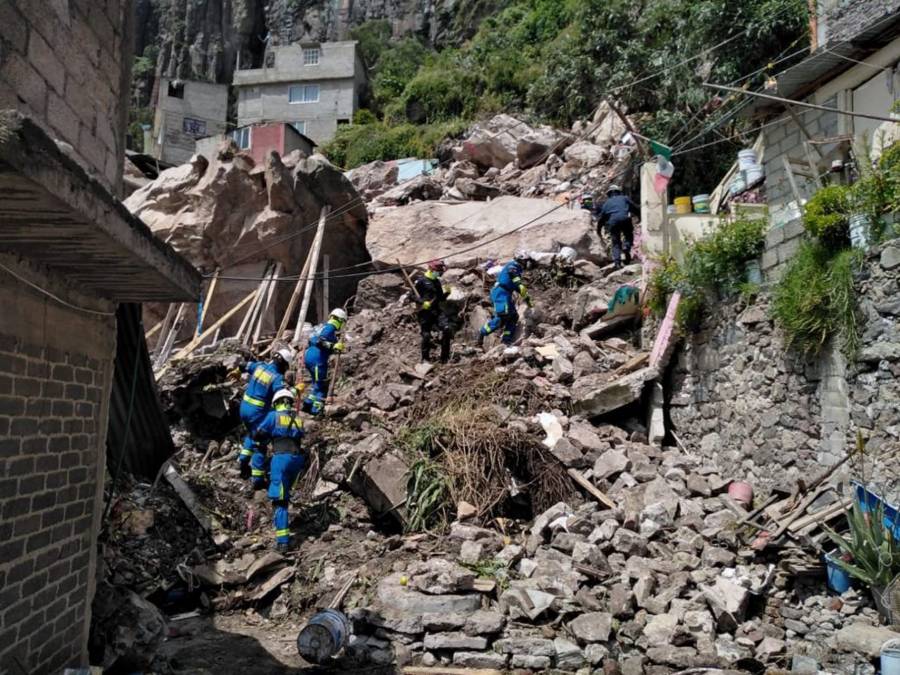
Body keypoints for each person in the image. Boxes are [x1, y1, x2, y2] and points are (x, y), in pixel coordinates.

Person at [252, 388, 306, 552]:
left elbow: (259, 434)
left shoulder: (273, 416)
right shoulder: (298, 418)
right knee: (285, 494)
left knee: (279, 501)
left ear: (277, 403)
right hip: (298, 460)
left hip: (281, 459)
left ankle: (283, 542)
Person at [237, 348, 293, 482]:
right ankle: (257, 479)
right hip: (256, 412)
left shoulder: (259, 366)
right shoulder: (277, 377)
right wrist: (294, 390)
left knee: (252, 434)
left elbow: (243, 365)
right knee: (260, 443)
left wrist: (237, 371)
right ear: (282, 363)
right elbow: (281, 395)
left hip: (243, 407)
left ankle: (243, 460)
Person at [479, 251, 533, 347]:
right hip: (500, 293)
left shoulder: (517, 270)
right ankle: (482, 333)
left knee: (513, 317)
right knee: (503, 316)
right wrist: (520, 285)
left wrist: (527, 299)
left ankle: (506, 340)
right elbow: (513, 276)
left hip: (506, 294)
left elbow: (517, 287)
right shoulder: (512, 265)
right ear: (520, 259)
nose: (526, 263)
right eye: (525, 261)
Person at [303, 308, 347, 401]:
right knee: (320, 387)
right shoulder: (330, 328)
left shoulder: (322, 328)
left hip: (309, 357)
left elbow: (313, 341)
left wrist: (334, 347)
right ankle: (316, 410)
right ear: (339, 320)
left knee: (315, 384)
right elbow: (320, 342)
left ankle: (307, 406)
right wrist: (333, 346)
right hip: (317, 360)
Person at [414, 260, 453, 363]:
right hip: (425, 312)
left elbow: (440, 298)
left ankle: (444, 358)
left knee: (447, 329)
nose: (439, 273)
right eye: (438, 271)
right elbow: (411, 295)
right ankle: (425, 358)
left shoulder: (436, 281)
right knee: (426, 335)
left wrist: (447, 293)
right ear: (431, 269)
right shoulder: (421, 281)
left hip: (436, 311)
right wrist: (422, 302)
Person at [596, 184, 640, 269]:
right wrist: (640, 217)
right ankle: (626, 246)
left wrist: (598, 230)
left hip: (613, 222)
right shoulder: (624, 198)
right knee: (628, 235)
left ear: (609, 194)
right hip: (625, 219)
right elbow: (634, 208)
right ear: (619, 192)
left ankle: (617, 263)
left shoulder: (606, 203)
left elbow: (601, 218)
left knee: (615, 242)